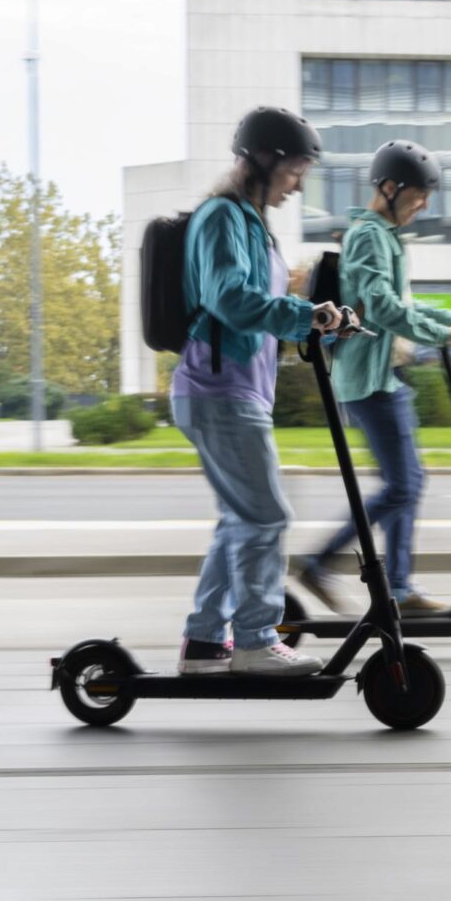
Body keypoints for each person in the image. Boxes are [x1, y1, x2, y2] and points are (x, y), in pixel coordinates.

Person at [172, 107, 345, 676]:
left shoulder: (249, 222)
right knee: (267, 516)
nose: (299, 185)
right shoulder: (224, 218)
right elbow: (231, 300)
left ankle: (203, 644)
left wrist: (317, 315)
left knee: (241, 519)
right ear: (267, 160)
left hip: (232, 390)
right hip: (218, 391)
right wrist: (302, 315)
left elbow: (259, 303)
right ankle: (253, 641)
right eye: (296, 170)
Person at [295, 140, 451, 614]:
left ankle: (400, 588)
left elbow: (403, 303)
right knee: (403, 485)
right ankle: (320, 563)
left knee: (410, 481)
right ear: (388, 187)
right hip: (367, 380)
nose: (424, 204)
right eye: (419, 194)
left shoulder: (385, 236)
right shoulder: (368, 237)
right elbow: (382, 309)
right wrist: (441, 336)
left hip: (385, 377)